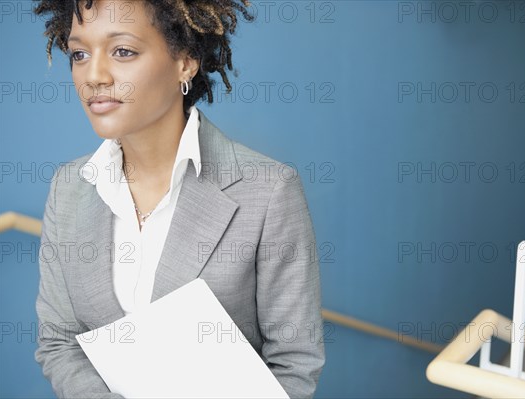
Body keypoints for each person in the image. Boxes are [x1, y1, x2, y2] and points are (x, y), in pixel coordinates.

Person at [33, 0, 325, 397]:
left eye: (122, 51)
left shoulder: (269, 190)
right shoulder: (68, 188)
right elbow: (60, 341)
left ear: (185, 62)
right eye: (80, 53)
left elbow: (295, 362)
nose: (94, 76)